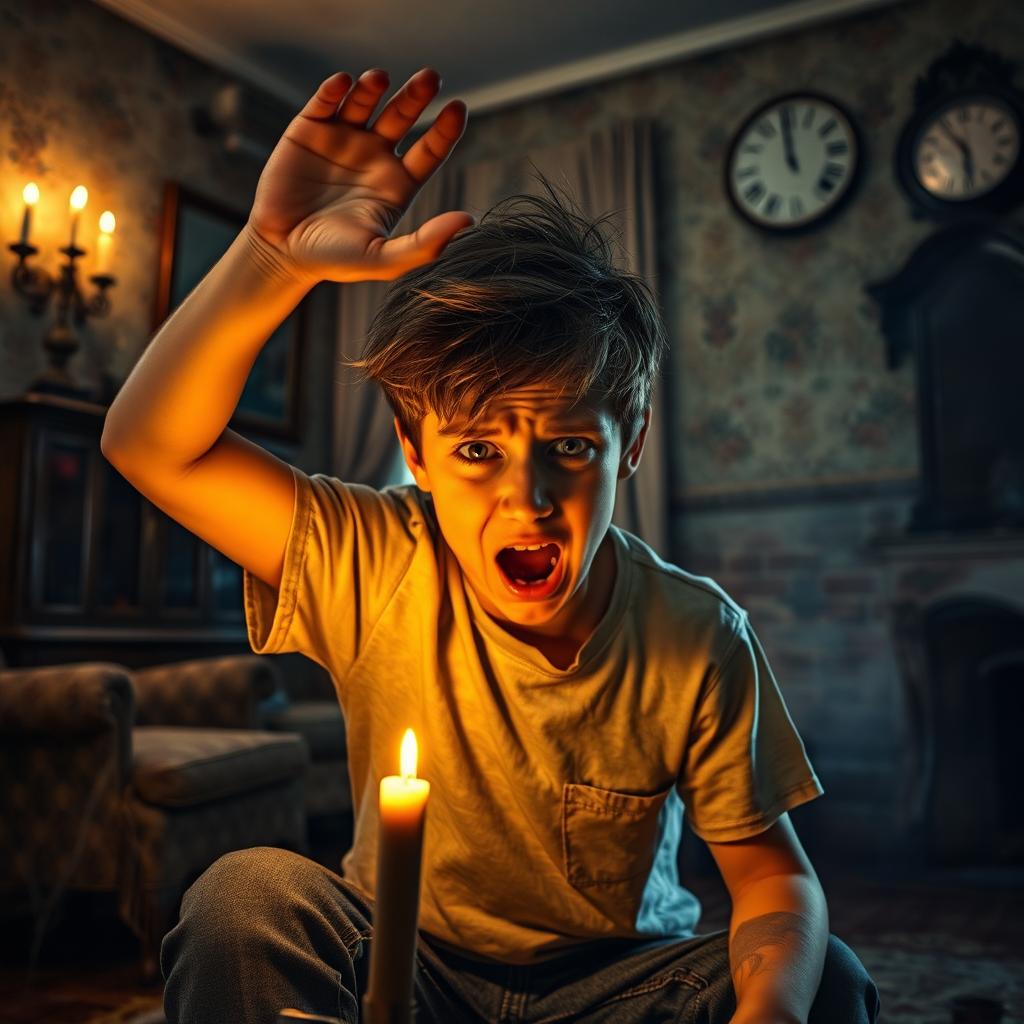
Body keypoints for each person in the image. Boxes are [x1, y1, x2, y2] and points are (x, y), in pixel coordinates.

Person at [102, 66, 881, 1024]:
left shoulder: (695, 631)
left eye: (567, 448)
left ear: (627, 446)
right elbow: (147, 444)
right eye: (477, 448)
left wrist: (768, 1014)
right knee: (244, 896)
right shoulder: (378, 558)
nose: (528, 496)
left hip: (613, 988)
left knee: (829, 978)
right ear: (415, 452)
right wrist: (271, 258)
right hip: (403, 967)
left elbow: (774, 887)